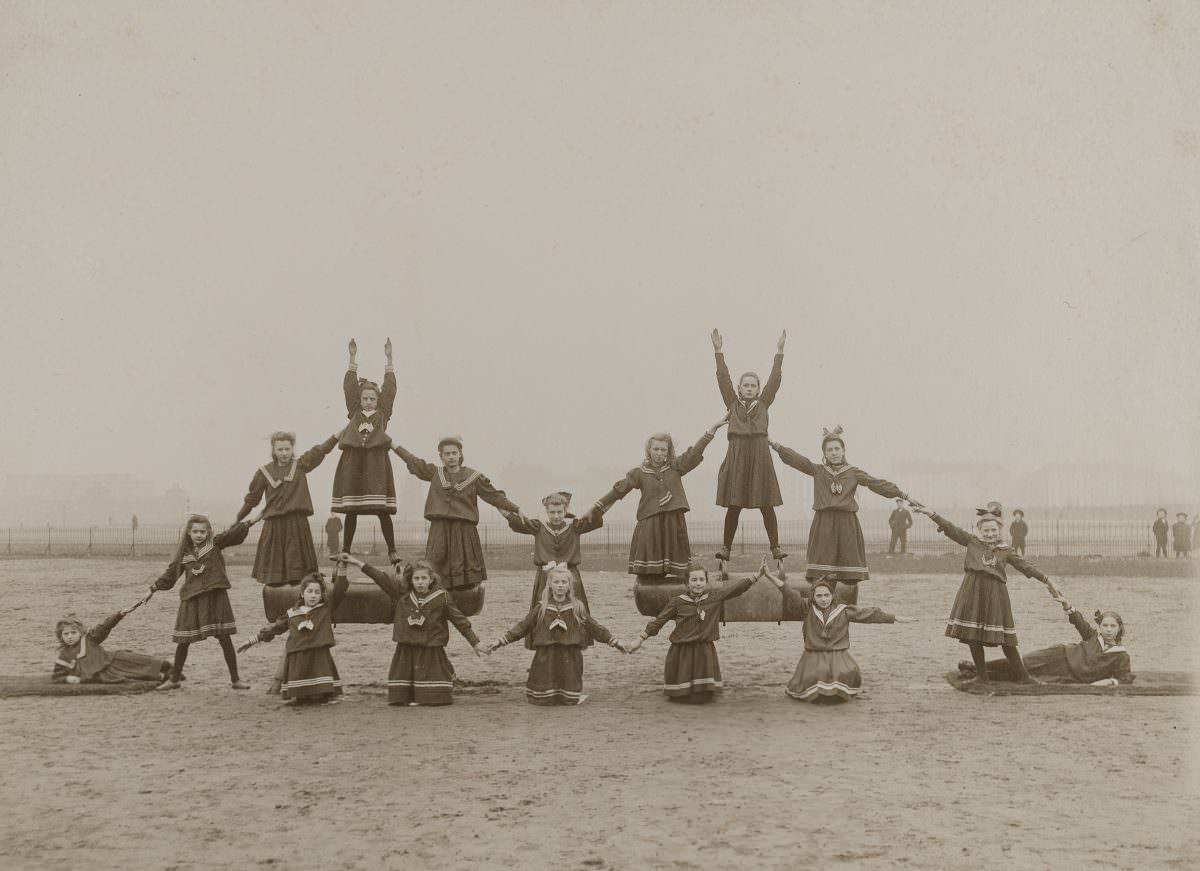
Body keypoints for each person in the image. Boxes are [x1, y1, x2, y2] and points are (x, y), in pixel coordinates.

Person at [912, 502, 1060, 685]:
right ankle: (982, 677)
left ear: (999, 530)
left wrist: (1047, 580)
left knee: (1006, 637)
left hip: (996, 595)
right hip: (972, 591)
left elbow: (1025, 567)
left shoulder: (1006, 550)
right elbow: (951, 528)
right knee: (973, 635)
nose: (990, 534)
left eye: (993, 530)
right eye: (986, 531)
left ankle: (1023, 677)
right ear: (979, 531)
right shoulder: (972, 541)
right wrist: (931, 513)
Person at [769, 427, 915, 605]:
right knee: (822, 576)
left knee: (845, 578)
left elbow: (876, 484)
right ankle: (818, 612)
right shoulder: (818, 470)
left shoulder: (853, 472)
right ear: (824, 453)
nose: (834, 452)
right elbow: (797, 460)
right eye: (829, 449)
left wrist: (902, 494)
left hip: (847, 525)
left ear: (844, 450)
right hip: (824, 524)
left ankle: (838, 613)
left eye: (837, 448)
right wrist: (774, 444)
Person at [593, 417, 729, 585]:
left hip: (673, 523)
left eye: (663, 450)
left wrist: (712, 430)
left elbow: (694, 452)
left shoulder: (676, 466)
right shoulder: (639, 473)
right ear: (649, 450)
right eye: (656, 449)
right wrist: (595, 509)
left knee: (680, 574)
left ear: (668, 451)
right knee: (649, 574)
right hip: (650, 525)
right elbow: (618, 491)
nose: (659, 453)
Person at [759, 563, 914, 702]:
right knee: (817, 675)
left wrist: (894, 618)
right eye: (819, 596)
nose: (823, 599)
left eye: (827, 595)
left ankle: (835, 695)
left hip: (838, 655)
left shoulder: (843, 611)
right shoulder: (807, 608)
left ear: (832, 596)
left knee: (844, 673)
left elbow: (869, 614)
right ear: (813, 596)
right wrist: (769, 576)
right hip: (814, 655)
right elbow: (788, 592)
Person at [391, 436, 524, 595]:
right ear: (441, 457)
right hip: (439, 529)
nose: (451, 457)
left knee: (464, 582)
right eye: (447, 454)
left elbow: (493, 495)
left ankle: (462, 606)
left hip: (464, 531)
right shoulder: (435, 473)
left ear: (460, 455)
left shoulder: (473, 476)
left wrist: (516, 508)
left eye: (454, 453)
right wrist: (392, 444)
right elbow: (413, 461)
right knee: (434, 570)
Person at [344, 555, 483, 706]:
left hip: (430, 650)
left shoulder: (442, 597)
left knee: (433, 697)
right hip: (406, 650)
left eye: (424, 578)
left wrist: (475, 643)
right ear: (411, 580)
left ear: (431, 579)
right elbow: (380, 577)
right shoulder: (402, 594)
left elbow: (460, 621)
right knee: (402, 697)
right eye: (416, 579)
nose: (420, 582)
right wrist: (357, 562)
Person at [485, 565, 626, 705]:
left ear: (570, 586)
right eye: (556, 582)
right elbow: (523, 627)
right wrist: (501, 642)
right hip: (546, 657)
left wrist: (614, 642)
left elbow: (594, 627)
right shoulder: (541, 607)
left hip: (570, 657)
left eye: (564, 582)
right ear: (550, 585)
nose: (560, 586)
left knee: (569, 700)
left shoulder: (577, 607)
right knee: (544, 699)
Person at [151, 513, 262, 690]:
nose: (199, 535)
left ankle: (235, 680)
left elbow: (232, 534)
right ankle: (174, 679)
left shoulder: (215, 544)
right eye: (195, 531)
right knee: (183, 640)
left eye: (203, 531)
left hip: (214, 597)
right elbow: (171, 574)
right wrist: (155, 587)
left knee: (225, 638)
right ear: (189, 532)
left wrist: (253, 520)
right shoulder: (184, 555)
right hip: (192, 599)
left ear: (208, 532)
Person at [625, 562, 761, 703]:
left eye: (702, 580)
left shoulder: (713, 598)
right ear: (687, 583)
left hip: (704, 653)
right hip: (682, 653)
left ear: (706, 582)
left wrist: (757, 575)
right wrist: (639, 640)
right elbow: (659, 621)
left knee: (703, 698)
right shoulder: (677, 602)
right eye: (694, 580)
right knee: (681, 697)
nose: (698, 584)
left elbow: (736, 589)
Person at [710, 329, 787, 564]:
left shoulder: (764, 403)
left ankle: (775, 547)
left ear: (758, 388)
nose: (750, 388)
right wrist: (718, 351)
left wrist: (780, 352)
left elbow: (775, 380)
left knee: (766, 504)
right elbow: (723, 378)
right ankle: (726, 548)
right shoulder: (732, 403)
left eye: (754, 385)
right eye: (746, 385)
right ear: (740, 388)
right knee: (734, 505)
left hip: (760, 454)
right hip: (738, 454)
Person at [958, 594, 1132, 686]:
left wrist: (1105, 682)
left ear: (1119, 629)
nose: (1108, 630)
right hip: (1058, 655)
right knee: (1023, 663)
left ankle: (978, 673)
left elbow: (1124, 679)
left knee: (1022, 676)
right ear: (1100, 627)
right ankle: (979, 668)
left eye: (1113, 626)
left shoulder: (1121, 656)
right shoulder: (1094, 636)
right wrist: (1066, 605)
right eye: (1105, 626)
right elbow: (1079, 622)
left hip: (1066, 675)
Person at [237, 432, 339, 585]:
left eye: (287, 449)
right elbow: (251, 500)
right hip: (274, 528)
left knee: (301, 579)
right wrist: (237, 519)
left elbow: (321, 450)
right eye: (280, 450)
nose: (284, 453)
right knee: (274, 580)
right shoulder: (264, 473)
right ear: (273, 450)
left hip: (297, 526)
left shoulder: (301, 464)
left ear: (292, 449)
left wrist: (337, 436)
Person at [332, 338, 400, 565]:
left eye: (372, 399)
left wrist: (389, 360)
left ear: (377, 400)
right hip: (354, 465)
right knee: (352, 509)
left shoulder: (383, 413)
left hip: (376, 465)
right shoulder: (353, 411)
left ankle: (392, 550)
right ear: (359, 400)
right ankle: (345, 549)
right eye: (365, 399)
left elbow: (390, 388)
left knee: (381, 510)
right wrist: (352, 359)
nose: (368, 402)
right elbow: (348, 386)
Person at [241, 568, 350, 704]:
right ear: (302, 594)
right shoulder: (292, 613)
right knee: (301, 698)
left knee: (321, 696)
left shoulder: (325, 609)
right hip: (298, 660)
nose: (313, 595)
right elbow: (275, 628)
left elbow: (340, 589)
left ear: (322, 595)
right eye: (309, 591)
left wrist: (343, 567)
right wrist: (254, 640)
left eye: (317, 592)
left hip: (319, 658)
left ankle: (322, 696)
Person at [53, 610, 172, 685]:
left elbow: (104, 627)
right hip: (105, 673)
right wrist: (68, 679)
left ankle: (169, 667)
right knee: (137, 675)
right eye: (66, 634)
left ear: (80, 632)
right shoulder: (64, 656)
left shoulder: (89, 639)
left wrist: (119, 615)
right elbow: (57, 676)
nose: (70, 637)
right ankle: (164, 676)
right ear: (61, 636)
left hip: (114, 660)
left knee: (145, 662)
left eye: (73, 633)